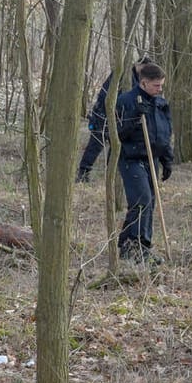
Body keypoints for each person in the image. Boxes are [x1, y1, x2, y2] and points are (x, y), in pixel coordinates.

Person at [113, 62, 173, 264]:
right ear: (144, 83)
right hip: (132, 159)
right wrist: (134, 116)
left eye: (161, 85)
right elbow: (116, 134)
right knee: (142, 201)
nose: (160, 89)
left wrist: (167, 160)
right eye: (157, 85)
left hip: (152, 159)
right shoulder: (125, 101)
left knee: (150, 203)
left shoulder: (160, 103)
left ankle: (134, 245)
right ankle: (136, 247)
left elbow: (164, 134)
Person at [76, 59, 151, 183]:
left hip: (121, 118)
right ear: (139, 64)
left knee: (117, 145)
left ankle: (111, 173)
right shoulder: (123, 73)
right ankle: (83, 173)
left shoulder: (138, 79)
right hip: (104, 114)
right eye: (144, 68)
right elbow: (106, 93)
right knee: (95, 145)